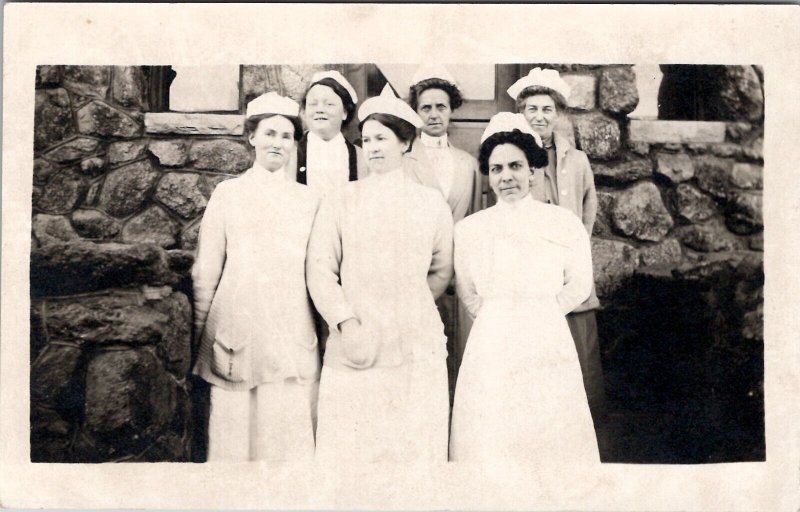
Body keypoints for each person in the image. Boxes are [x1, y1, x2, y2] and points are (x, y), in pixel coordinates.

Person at [307, 84, 453, 465]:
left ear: (405, 143)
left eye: (382, 138)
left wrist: (409, 307)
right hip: (357, 340)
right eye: (367, 139)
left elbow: (440, 270)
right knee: (355, 448)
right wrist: (347, 322)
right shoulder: (342, 199)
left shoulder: (430, 203)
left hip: (414, 342)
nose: (371, 147)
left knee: (412, 446)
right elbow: (320, 269)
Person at [449, 112, 599, 467]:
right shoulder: (470, 229)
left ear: (533, 170)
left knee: (546, 427)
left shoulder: (563, 223)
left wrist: (541, 311)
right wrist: (497, 315)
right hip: (492, 338)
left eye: (515, 166)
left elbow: (579, 283)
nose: (507, 177)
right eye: (497, 169)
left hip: (546, 334)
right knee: (492, 429)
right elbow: (467, 289)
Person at [191, 92, 321, 462]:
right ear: (252, 137)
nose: (277, 143)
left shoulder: (309, 200)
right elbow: (206, 269)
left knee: (285, 432)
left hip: (290, 330)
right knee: (235, 433)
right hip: (237, 328)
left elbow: (318, 271)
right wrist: (200, 334)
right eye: (269, 133)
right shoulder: (228, 194)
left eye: (285, 135)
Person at [508, 67, 606, 424]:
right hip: (529, 275)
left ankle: (583, 428)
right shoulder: (512, 160)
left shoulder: (576, 160)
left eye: (547, 109)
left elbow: (587, 211)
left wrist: (573, 262)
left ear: (558, 113)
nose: (539, 116)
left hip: (570, 274)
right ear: (522, 113)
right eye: (531, 109)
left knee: (578, 349)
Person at [405, 65, 481, 403]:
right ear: (416, 112)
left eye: (441, 107)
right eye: (426, 107)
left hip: (460, 273)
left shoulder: (468, 163)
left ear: (451, 110)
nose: (434, 114)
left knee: (461, 353)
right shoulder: (404, 161)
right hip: (419, 272)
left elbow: (477, 215)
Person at [289, 70, 368, 191]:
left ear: (345, 112)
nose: (319, 109)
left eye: (329, 104)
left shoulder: (361, 157)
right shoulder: (290, 155)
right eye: (313, 104)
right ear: (304, 112)